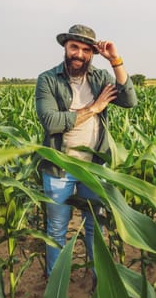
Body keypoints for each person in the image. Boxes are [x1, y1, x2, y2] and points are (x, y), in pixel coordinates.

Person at [35, 24, 137, 279]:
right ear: (65, 48)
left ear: (92, 53)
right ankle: (56, 287)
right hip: (59, 166)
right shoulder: (47, 80)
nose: (78, 54)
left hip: (94, 166)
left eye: (84, 49)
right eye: (74, 48)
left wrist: (115, 60)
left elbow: (129, 100)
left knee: (95, 226)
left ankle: (99, 280)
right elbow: (51, 122)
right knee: (57, 230)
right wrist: (95, 107)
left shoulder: (100, 77)